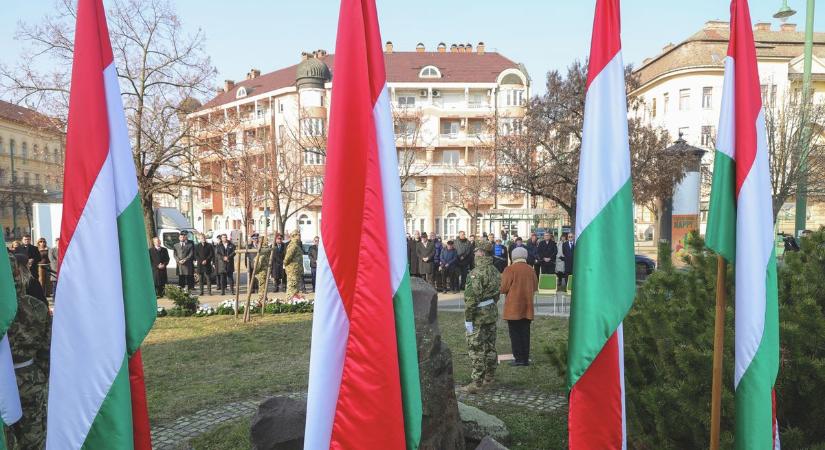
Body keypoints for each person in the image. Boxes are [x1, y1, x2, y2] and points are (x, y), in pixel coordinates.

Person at [5, 254, 51, 450]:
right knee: (33, 439)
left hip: (21, 380)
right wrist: (39, 376)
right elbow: (46, 353)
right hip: (30, 380)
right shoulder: (36, 307)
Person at [461, 240, 501, 393]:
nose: (474, 253)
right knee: (490, 347)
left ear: (482, 253)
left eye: (476, 251)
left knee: (476, 349)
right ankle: (489, 377)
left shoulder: (475, 274)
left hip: (478, 316)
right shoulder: (495, 270)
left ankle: (477, 383)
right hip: (490, 313)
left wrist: (468, 319)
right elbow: (497, 294)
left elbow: (471, 300)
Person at [500, 247, 538, 366]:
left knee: (515, 333)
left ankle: (519, 358)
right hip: (527, 306)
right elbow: (535, 286)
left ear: (513, 256)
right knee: (525, 333)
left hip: (513, 307)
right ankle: (525, 358)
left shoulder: (510, 269)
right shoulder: (531, 269)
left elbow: (503, 288)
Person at [283, 229, 304, 301]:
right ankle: (290, 301)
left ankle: (294, 300)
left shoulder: (297, 245)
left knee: (295, 287)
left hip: (296, 269)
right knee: (292, 285)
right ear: (294, 236)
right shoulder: (293, 245)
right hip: (292, 270)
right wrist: (286, 264)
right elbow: (287, 257)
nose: (300, 236)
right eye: (298, 235)